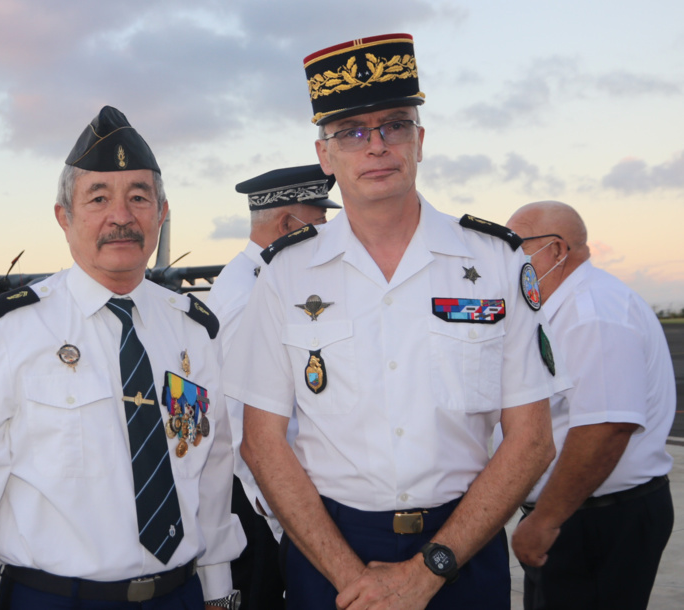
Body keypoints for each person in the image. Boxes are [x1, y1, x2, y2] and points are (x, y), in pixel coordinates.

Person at [223, 33, 558, 610]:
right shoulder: (285, 276)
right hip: (329, 555)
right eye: (352, 132)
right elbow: (261, 444)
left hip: (463, 551)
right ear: (325, 156)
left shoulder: (496, 261)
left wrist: (430, 570)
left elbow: (532, 439)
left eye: (394, 125)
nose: (376, 145)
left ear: (420, 141)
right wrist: (351, 577)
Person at [0, 106, 245, 610]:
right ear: (63, 216)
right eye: (98, 198)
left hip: (178, 594)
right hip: (54, 598)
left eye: (139, 197)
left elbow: (213, 467)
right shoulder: (8, 329)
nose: (121, 216)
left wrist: (218, 591)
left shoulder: (194, 330)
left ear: (161, 213)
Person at [506, 200, 675, 610]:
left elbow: (606, 427)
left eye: (516, 245)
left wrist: (545, 520)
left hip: (593, 519)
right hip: (578, 513)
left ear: (557, 250)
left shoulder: (593, 312)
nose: (507, 258)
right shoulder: (562, 308)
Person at [207, 165, 340, 609]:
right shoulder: (249, 295)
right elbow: (242, 419)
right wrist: (285, 518)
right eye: (319, 223)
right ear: (288, 225)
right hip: (262, 503)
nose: (327, 234)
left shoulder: (258, 280)